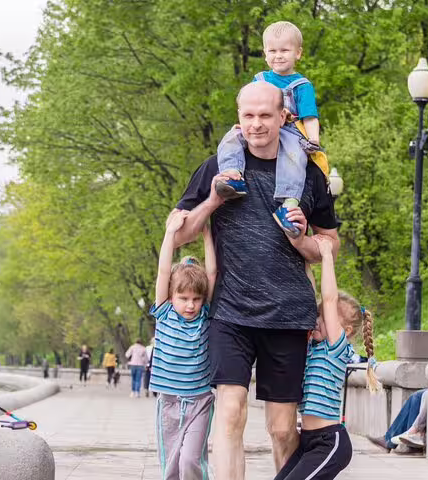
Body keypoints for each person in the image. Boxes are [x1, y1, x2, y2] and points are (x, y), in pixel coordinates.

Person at [173, 81, 339, 480]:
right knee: (230, 413)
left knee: (282, 430)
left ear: (284, 116)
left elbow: (331, 244)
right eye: (248, 116)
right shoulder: (219, 166)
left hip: (288, 315)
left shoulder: (307, 175)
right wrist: (213, 199)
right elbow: (179, 234)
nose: (256, 124)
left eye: (265, 115)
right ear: (239, 118)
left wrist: (302, 239)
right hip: (230, 313)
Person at [274, 235, 380, 480]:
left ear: (347, 331)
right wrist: (305, 260)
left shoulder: (335, 348)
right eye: (319, 315)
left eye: (325, 317)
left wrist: (327, 257)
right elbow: (314, 297)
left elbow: (329, 299)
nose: (318, 319)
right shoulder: (313, 347)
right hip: (308, 441)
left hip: (330, 443)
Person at [215, 21, 326, 238]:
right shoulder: (260, 80)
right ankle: (232, 175)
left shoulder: (301, 85)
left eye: (285, 50)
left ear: (298, 53)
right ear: (265, 54)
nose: (278, 56)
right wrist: (245, 122)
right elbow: (248, 104)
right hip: (259, 126)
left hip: (289, 130)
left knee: (295, 156)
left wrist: (313, 138)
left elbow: (310, 117)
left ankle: (289, 204)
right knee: (231, 137)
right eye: (272, 51)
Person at [150, 211, 217, 480]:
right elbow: (164, 270)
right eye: (184, 298)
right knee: (171, 466)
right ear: (172, 295)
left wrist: (207, 232)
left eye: (196, 299)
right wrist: (170, 233)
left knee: (191, 460)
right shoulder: (164, 311)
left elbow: (212, 273)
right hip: (168, 401)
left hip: (199, 401)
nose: (190, 305)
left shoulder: (204, 316)